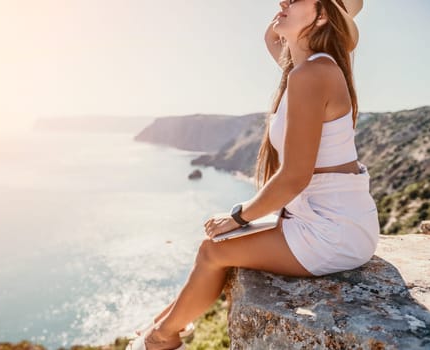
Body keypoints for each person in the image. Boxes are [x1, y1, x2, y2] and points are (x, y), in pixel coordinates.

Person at [126, 1, 380, 349]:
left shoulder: (313, 75)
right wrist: (292, 11)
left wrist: (239, 216)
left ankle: (161, 338)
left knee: (212, 252)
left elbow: (294, 177)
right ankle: (160, 329)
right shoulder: (304, 69)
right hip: (321, 215)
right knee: (216, 246)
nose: (283, 2)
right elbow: (270, 35)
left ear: (322, 15)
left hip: (333, 230)